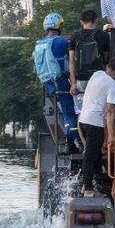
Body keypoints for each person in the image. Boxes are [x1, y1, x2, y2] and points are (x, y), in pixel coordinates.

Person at [32, 12, 80, 151]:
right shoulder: (59, 42)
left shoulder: (40, 43)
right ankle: (75, 141)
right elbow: (74, 51)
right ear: (58, 25)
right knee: (71, 112)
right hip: (61, 81)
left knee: (65, 112)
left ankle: (69, 137)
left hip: (50, 84)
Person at [78, 59, 115, 197]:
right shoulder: (113, 86)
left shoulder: (97, 74)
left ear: (107, 67)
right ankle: (88, 190)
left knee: (95, 155)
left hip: (82, 121)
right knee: (90, 157)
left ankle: (91, 184)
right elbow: (110, 112)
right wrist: (110, 135)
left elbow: (104, 92)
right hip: (94, 124)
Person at [69, 10, 111, 113]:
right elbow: (106, 58)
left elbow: (71, 62)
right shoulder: (104, 36)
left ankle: (82, 129)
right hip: (98, 79)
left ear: (81, 21)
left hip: (81, 80)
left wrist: (73, 83)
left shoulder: (74, 37)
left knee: (81, 112)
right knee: (100, 111)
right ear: (96, 20)